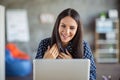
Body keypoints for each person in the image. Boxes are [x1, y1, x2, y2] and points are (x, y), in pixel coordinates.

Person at [35, 8, 96, 80]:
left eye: (72, 28)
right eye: (63, 26)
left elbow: (92, 76)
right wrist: (45, 62)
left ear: (77, 30)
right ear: (57, 26)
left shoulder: (84, 46)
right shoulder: (44, 44)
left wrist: (73, 65)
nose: (66, 32)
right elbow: (37, 76)